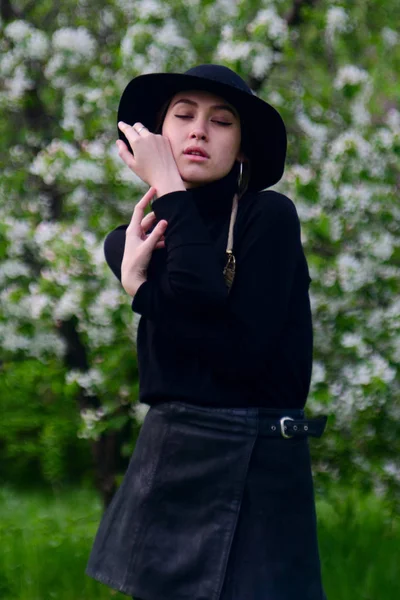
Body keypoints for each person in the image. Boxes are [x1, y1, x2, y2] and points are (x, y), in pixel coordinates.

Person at [86, 64, 328, 600]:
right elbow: (199, 303)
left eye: (221, 122)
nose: (199, 130)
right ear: (156, 136)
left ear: (241, 149)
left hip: (262, 462)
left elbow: (239, 354)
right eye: (184, 116)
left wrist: (142, 292)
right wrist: (166, 199)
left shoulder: (270, 218)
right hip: (173, 456)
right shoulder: (133, 241)